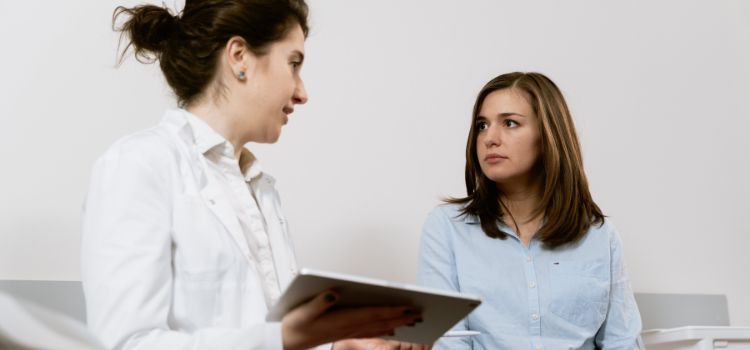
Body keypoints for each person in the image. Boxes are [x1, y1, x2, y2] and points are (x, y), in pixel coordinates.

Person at [81, 1, 429, 349]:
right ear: (240, 57)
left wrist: (338, 346)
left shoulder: (260, 190)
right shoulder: (138, 164)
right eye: (293, 64)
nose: (302, 92)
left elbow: (267, 332)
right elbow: (125, 344)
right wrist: (284, 338)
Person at [416, 72, 644, 349]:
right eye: (482, 125)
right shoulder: (446, 228)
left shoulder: (599, 236)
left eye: (510, 123)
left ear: (548, 135)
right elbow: (447, 343)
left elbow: (622, 341)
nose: (490, 138)